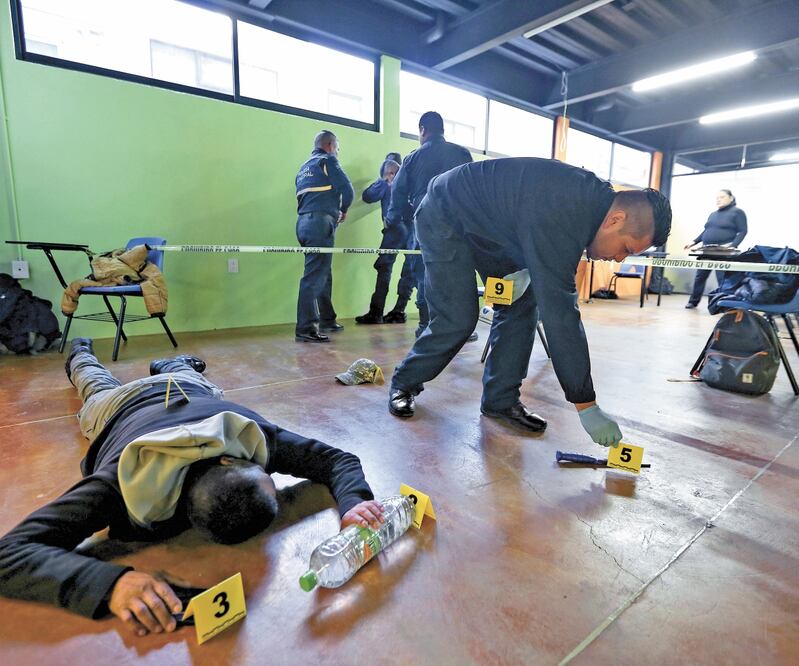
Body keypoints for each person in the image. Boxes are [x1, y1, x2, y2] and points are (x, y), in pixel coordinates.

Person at [0, 339, 383, 636]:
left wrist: (353, 502)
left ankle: (164, 364)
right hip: (118, 408)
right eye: (270, 473)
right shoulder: (116, 483)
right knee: (94, 383)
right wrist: (110, 586)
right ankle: (81, 351)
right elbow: (7, 556)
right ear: (228, 458)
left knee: (172, 374)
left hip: (182, 388)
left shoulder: (241, 441)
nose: (273, 467)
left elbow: (339, 461)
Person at [388, 158, 672, 447]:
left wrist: (526, 270)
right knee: (458, 318)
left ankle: (500, 400)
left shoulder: (589, 206)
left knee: (522, 304)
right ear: (616, 220)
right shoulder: (565, 211)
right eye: (626, 248)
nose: (620, 259)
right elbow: (561, 317)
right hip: (444, 214)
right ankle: (404, 382)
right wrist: (586, 404)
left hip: (492, 229)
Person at [385, 111, 475, 339]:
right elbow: (473, 190)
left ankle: (426, 325)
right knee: (458, 273)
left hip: (424, 221)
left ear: (423, 130)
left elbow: (398, 191)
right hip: (456, 223)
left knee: (424, 274)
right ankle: (458, 327)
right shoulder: (462, 153)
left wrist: (392, 220)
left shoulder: (413, 158)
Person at [294, 130, 354, 342]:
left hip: (302, 223)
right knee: (314, 276)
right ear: (330, 145)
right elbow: (348, 190)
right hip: (320, 223)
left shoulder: (303, 168)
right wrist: (344, 209)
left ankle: (327, 319)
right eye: (337, 148)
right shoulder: (328, 160)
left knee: (322, 272)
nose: (337, 152)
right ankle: (305, 328)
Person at [355, 156, 417, 324]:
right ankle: (399, 310)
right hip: (412, 230)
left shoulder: (387, 184)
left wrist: (382, 181)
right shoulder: (410, 186)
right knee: (410, 270)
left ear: (389, 173)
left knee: (384, 268)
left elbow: (368, 196)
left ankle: (376, 313)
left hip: (395, 229)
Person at [684, 189, 747, 309]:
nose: (718, 199)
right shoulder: (713, 214)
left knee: (722, 279)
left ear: (731, 198)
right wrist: (694, 242)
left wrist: (733, 245)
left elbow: (743, 231)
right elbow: (707, 231)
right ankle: (693, 301)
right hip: (707, 251)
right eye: (717, 198)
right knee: (700, 277)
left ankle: (725, 303)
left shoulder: (737, 212)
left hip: (723, 252)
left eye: (722, 197)